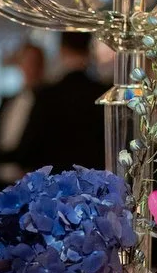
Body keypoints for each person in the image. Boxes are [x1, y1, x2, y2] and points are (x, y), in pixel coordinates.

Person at [14, 32, 104, 174]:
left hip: (55, 186)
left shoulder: (47, 96)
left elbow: (30, 149)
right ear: (89, 49)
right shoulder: (104, 93)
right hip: (97, 185)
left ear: (62, 50)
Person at [0, 42, 46, 189]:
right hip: (0, 182)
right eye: (26, 62)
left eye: (33, 63)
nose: (29, 68)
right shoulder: (8, 101)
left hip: (32, 185)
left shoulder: (47, 102)